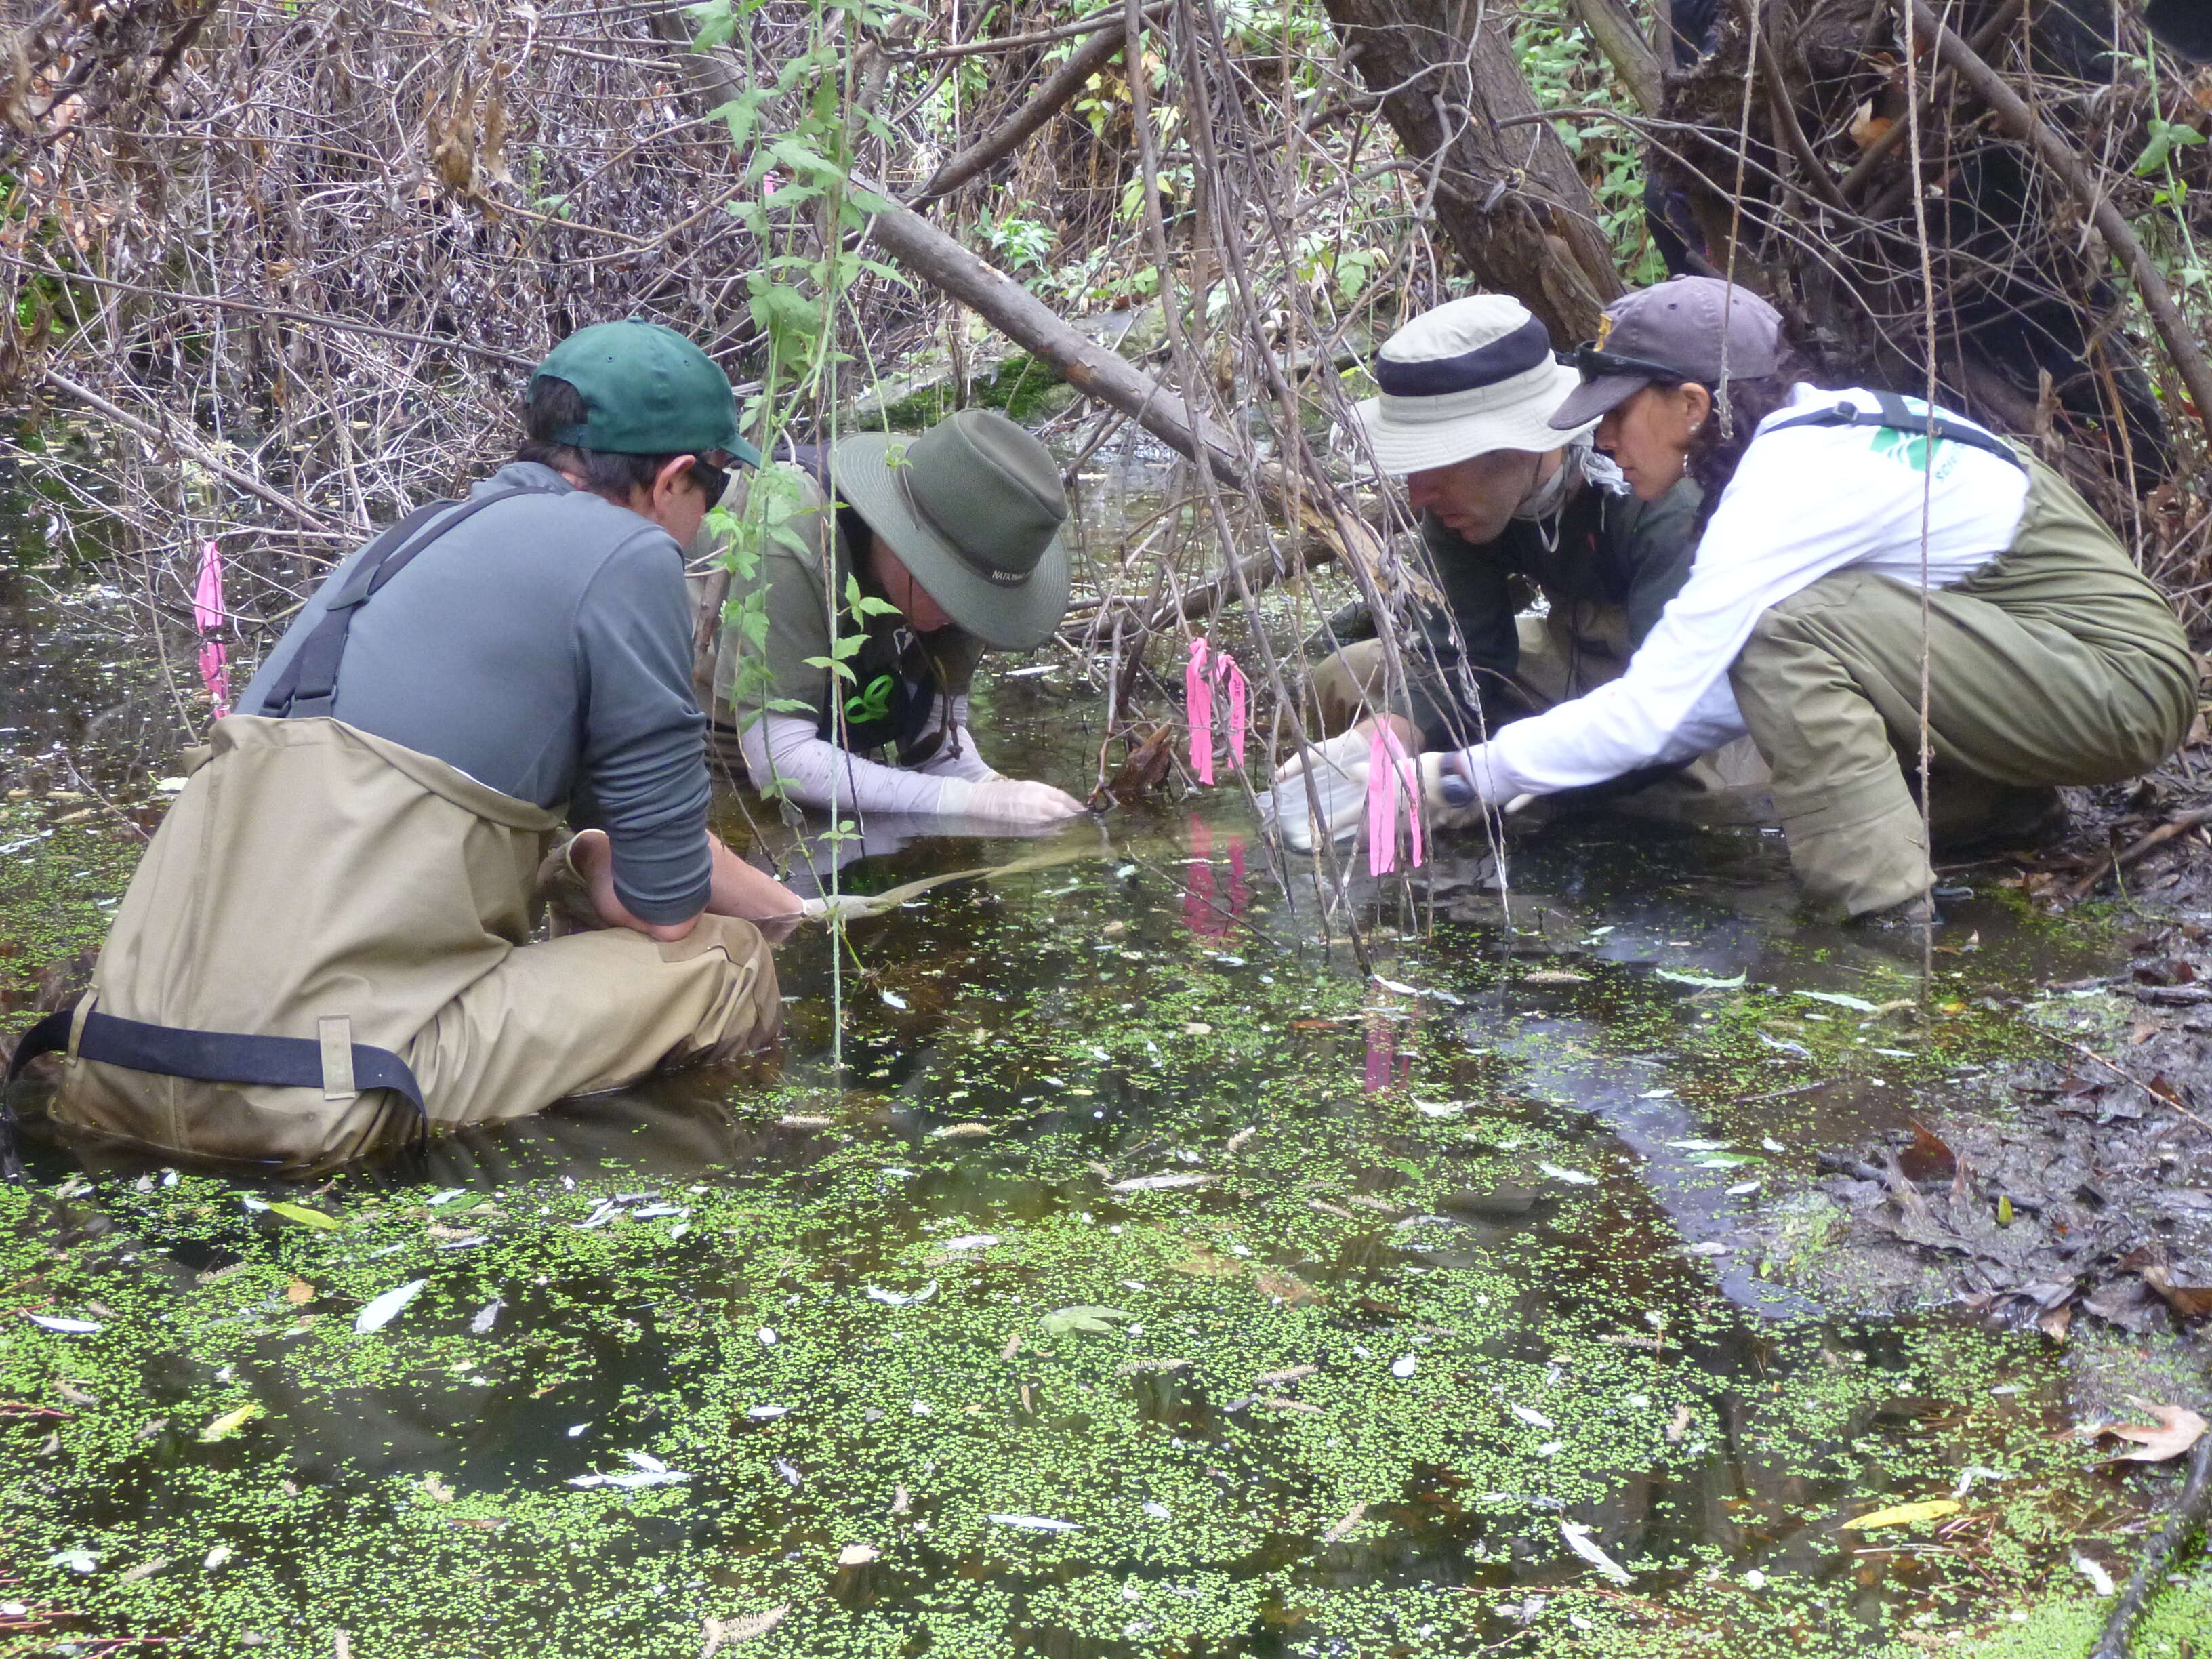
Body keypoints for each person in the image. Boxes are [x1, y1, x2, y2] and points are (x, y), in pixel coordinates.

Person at [8, 320, 801, 1171]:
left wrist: (785, 902)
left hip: (111, 1075)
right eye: (713, 488)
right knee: (726, 965)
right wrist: (771, 925)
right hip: (306, 1104)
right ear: (677, 477)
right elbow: (665, 908)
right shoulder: (630, 553)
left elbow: (624, 839)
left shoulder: (406, 543)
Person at [1418, 275, 2197, 923]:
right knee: (1783, 636)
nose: (1605, 440)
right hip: (2071, 672)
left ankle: (1883, 921)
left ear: (1693, 405)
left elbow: (1658, 704)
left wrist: (1465, 776)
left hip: (2118, 687)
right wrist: (1514, 773)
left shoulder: (1789, 476)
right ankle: (1993, 812)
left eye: (1616, 414)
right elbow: (1709, 698)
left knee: (1786, 630)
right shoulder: (1816, 439)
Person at [1269, 292, 1759, 850]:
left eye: (1434, 464)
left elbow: (1669, 712)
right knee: (1347, 677)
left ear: (1519, 445)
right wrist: (1389, 736)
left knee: (1661, 809)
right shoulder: (1457, 507)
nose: (1416, 494)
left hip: (1687, 684)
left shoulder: (1661, 495)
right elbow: (1466, 653)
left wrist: (1482, 781)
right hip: (1569, 659)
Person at [693, 407, 1088, 825]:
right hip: (715, 751)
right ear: (903, 544)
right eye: (956, 591)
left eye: (979, 599)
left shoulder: (980, 547)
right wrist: (967, 802)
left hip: (837, 749)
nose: (964, 616)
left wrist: (996, 791)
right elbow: (778, 760)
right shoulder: (793, 534)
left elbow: (936, 744)